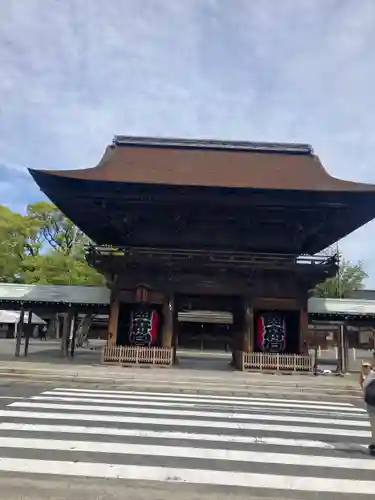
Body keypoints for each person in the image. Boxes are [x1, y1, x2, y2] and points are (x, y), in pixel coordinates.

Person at [361, 362, 375, 455]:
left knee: (374, 425)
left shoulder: (371, 375)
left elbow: (364, 387)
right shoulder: (370, 375)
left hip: (371, 402)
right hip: (371, 402)